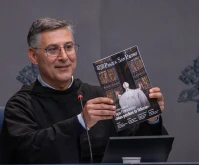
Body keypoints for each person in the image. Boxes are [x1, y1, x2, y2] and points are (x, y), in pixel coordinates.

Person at [0, 17, 166, 164]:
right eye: (52, 49)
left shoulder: (100, 97)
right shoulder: (20, 106)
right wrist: (79, 123)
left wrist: (151, 118)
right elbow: (25, 154)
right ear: (33, 56)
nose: (64, 57)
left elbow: (135, 151)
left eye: (69, 47)